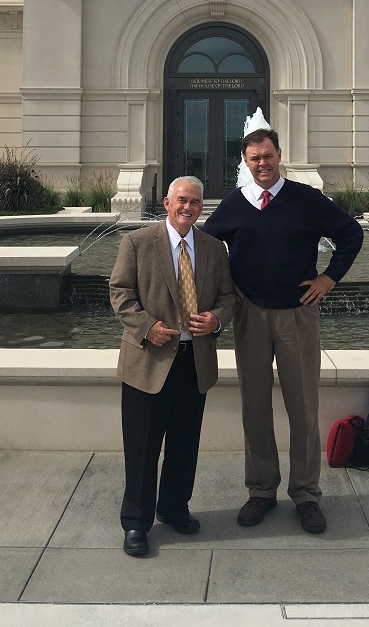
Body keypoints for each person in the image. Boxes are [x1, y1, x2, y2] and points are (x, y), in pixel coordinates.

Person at [203, 128, 363, 534]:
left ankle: (307, 494)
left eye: (268, 156)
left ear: (279, 156)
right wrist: (228, 286)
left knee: (304, 407)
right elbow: (204, 246)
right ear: (246, 162)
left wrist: (329, 279)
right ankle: (260, 490)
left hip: (298, 315)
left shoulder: (306, 199)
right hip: (250, 316)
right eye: (254, 158)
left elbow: (351, 233)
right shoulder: (234, 204)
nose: (262, 163)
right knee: (254, 407)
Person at [110, 175, 236, 557]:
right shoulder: (137, 242)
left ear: (201, 207)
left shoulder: (214, 249)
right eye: (182, 200)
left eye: (195, 202)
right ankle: (136, 522)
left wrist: (216, 319)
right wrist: (148, 328)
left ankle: (174, 507)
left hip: (193, 362)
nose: (188, 207)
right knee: (143, 448)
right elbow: (120, 292)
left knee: (184, 444)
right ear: (167, 202)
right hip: (148, 361)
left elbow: (230, 297)